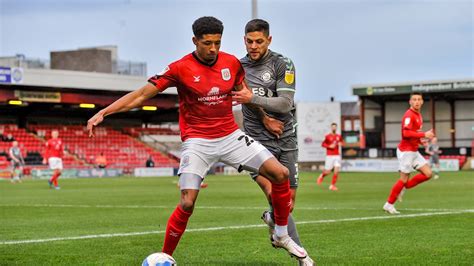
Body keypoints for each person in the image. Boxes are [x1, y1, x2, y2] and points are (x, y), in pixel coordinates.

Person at [87, 16, 307, 261]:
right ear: (195, 41)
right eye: (207, 43)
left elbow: (243, 95)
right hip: (198, 142)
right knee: (187, 202)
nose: (213, 49)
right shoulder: (179, 68)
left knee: (281, 174)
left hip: (231, 136)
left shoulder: (232, 63)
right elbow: (141, 95)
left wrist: (265, 118)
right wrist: (104, 112)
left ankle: (280, 234)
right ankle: (164, 257)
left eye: (217, 43)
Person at [232, 19, 313, 265]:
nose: (253, 46)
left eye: (258, 41)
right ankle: (302, 257)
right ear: (243, 40)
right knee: (271, 190)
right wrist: (265, 119)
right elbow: (244, 99)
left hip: (286, 137)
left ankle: (273, 219)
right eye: (249, 41)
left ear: (269, 40)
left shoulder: (282, 63)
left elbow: (285, 104)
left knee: (287, 203)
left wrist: (252, 97)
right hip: (255, 141)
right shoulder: (238, 67)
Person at [383, 92, 435, 214]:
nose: (417, 101)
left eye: (419, 99)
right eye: (414, 99)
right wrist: (424, 134)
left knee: (428, 173)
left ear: (422, 102)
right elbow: (406, 134)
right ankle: (389, 204)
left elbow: (414, 134)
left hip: (414, 151)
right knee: (403, 179)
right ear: (410, 102)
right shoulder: (409, 115)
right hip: (406, 151)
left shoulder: (419, 115)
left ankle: (402, 188)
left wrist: (422, 141)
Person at [317, 123, 343, 191]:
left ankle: (332, 186)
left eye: (335, 127)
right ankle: (321, 176)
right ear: (331, 128)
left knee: (336, 171)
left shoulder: (339, 136)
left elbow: (341, 142)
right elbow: (323, 144)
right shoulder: (328, 136)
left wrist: (341, 143)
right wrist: (329, 146)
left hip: (337, 155)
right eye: (333, 127)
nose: (334, 128)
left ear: (336, 128)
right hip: (330, 156)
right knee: (328, 172)